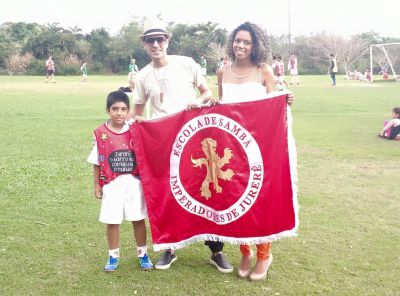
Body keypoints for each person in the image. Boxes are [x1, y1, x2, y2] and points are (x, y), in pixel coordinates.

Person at [133, 21, 232, 273]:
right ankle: (170, 247)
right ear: (144, 44)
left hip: (194, 137)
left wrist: (196, 102)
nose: (156, 45)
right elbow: (138, 112)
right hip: (163, 141)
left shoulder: (186, 63)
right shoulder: (143, 75)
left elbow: (207, 93)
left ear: (168, 40)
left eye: (160, 40)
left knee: (206, 189)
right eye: (150, 41)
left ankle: (216, 250)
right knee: (168, 191)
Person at [217, 21, 294, 282]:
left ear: (255, 45)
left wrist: (286, 99)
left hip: (260, 148)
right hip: (232, 148)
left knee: (261, 201)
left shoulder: (264, 71)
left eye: (246, 42)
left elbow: (273, 108)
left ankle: (264, 254)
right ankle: (245, 251)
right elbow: (220, 110)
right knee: (237, 200)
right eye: (237, 40)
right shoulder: (222, 72)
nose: (240, 45)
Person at [87, 91, 153, 272]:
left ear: (128, 111)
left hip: (133, 183)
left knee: (138, 219)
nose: (119, 113)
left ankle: (143, 254)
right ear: (107, 110)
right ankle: (113, 256)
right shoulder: (101, 132)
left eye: (123, 109)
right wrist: (96, 185)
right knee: (112, 220)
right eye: (115, 109)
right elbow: (96, 161)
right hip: (111, 184)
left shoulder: (135, 129)